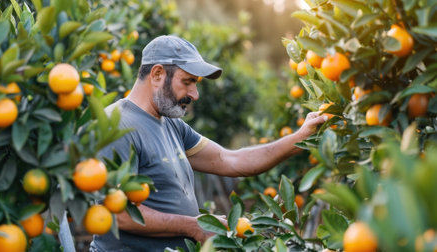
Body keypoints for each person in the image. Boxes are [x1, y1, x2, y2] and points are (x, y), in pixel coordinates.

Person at [89, 35, 327, 252]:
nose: (195, 94)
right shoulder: (117, 124)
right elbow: (117, 213)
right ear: (158, 74)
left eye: (196, 84)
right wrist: (193, 227)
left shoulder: (171, 125)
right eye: (188, 81)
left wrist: (299, 139)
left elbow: (229, 160)